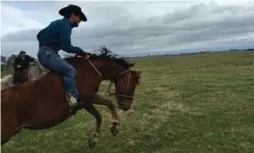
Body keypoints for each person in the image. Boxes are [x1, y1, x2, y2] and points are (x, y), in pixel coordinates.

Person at [36, 4, 90, 108]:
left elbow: (39, 35)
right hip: (48, 54)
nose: (80, 21)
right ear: (73, 15)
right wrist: (81, 52)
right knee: (71, 71)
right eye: (79, 17)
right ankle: (73, 99)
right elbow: (67, 47)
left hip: (47, 53)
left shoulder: (58, 23)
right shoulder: (65, 25)